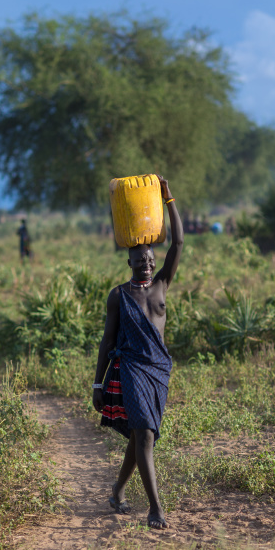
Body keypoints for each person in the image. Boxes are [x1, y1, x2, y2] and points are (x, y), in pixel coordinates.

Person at [92, 176, 183, 529]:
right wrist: (98, 385)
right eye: (139, 260)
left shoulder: (162, 285)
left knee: (141, 433)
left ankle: (117, 490)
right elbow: (106, 340)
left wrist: (169, 199)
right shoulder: (118, 296)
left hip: (158, 369)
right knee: (144, 433)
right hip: (129, 367)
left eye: (149, 259)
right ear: (129, 264)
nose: (146, 264)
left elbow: (179, 242)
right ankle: (156, 509)